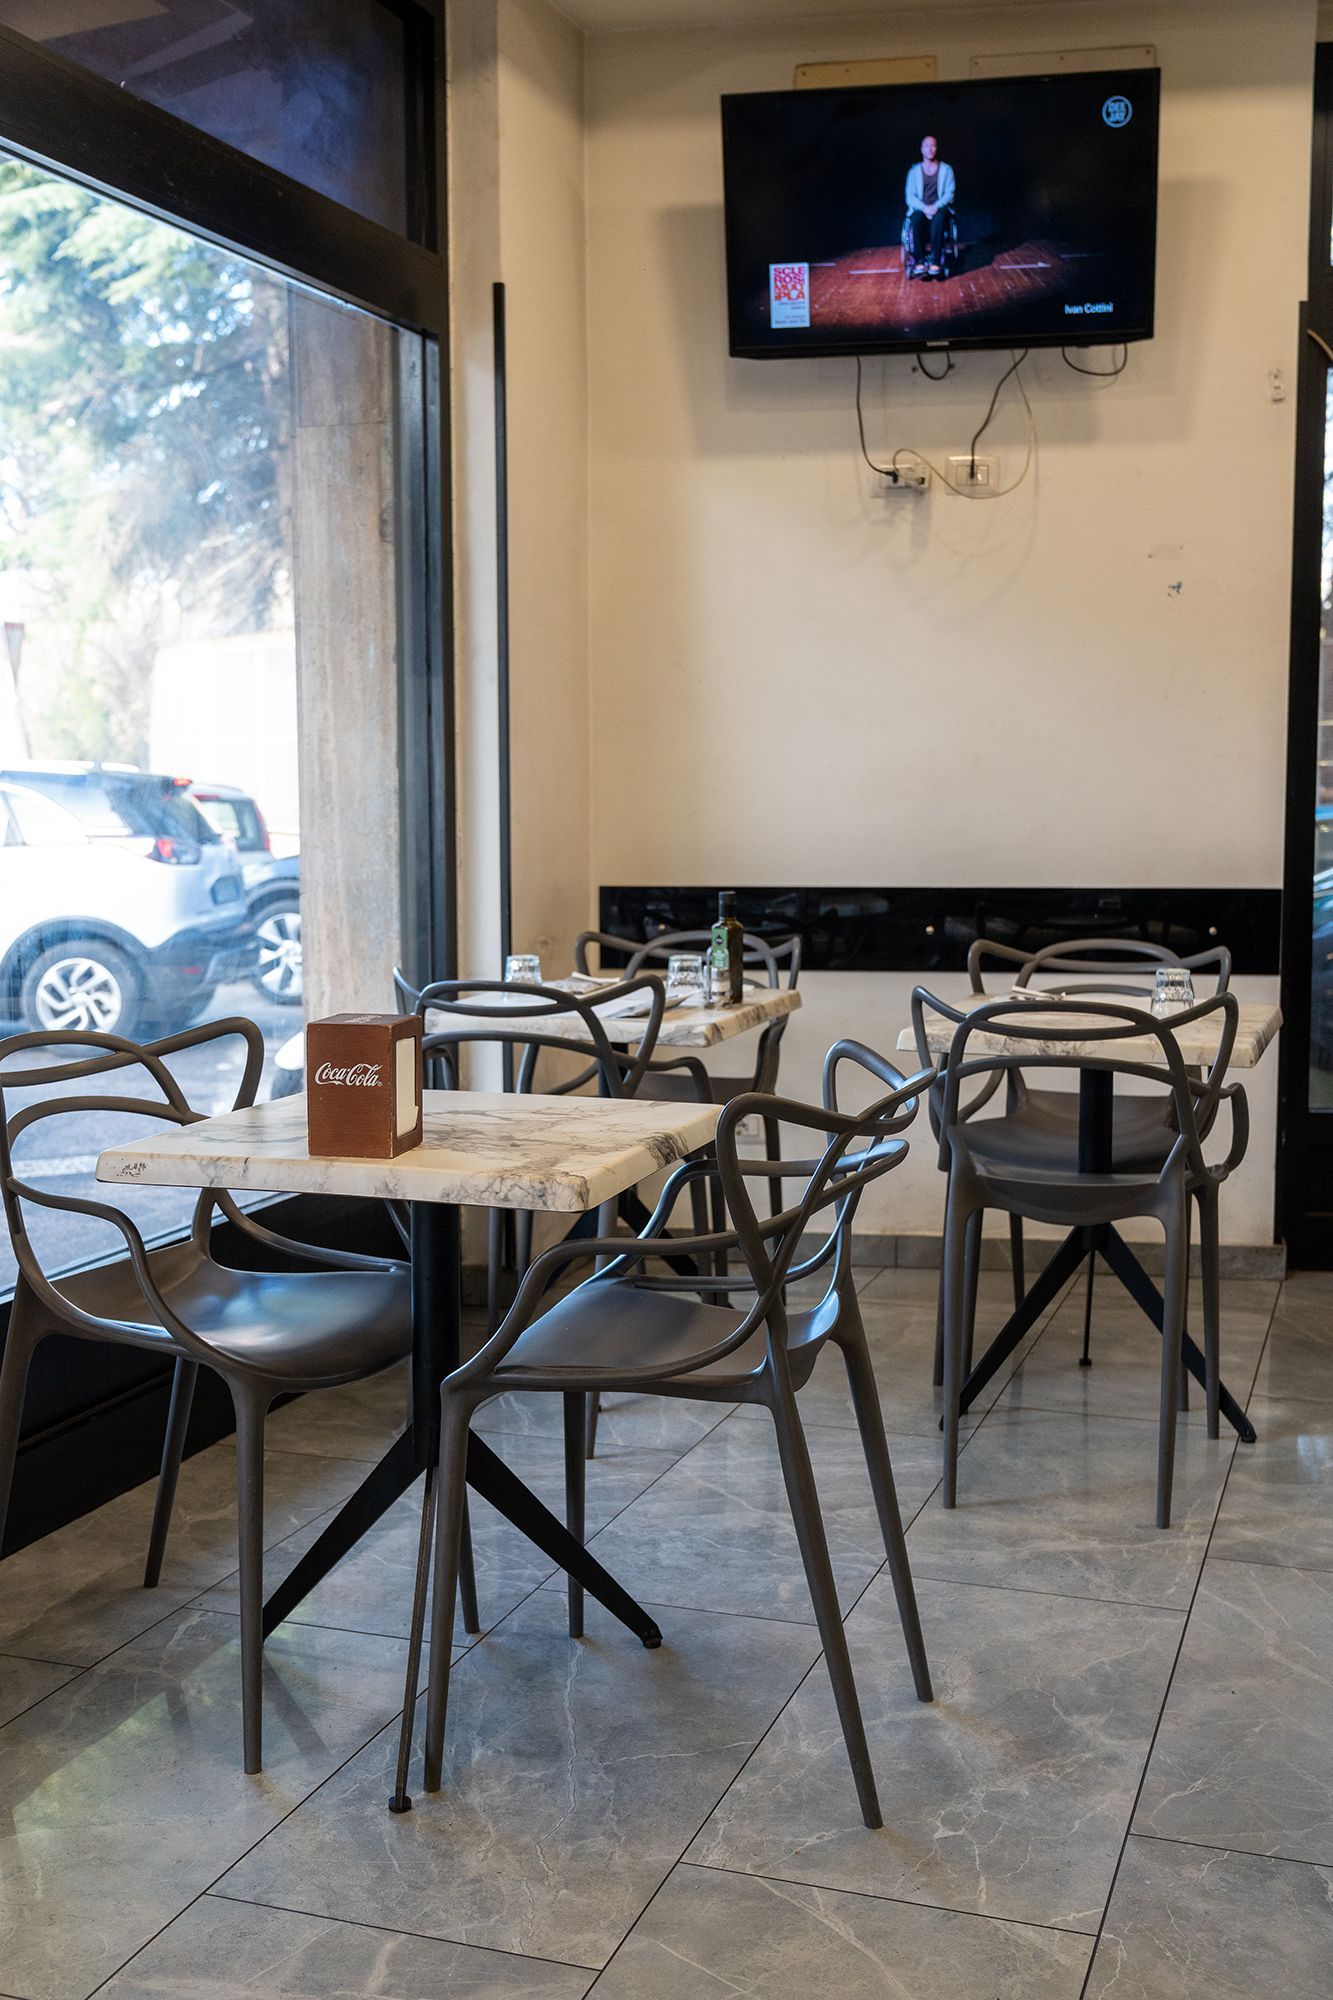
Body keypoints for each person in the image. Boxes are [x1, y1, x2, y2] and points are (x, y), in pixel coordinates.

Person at [905, 135, 956, 278]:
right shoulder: (914, 171)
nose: (930, 148)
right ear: (922, 149)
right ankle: (919, 261)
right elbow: (910, 196)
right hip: (921, 208)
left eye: (933, 145)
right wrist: (925, 208)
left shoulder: (946, 169)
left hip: (939, 208)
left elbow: (949, 193)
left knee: (939, 218)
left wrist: (935, 206)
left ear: (936, 148)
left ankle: (935, 261)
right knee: (915, 219)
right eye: (927, 145)